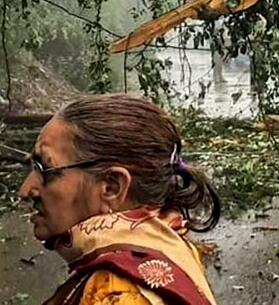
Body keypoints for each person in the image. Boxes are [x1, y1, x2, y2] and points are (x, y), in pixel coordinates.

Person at [19, 94, 220, 305]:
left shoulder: (115, 294)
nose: (25, 190)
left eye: (44, 169)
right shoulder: (168, 244)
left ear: (111, 187)